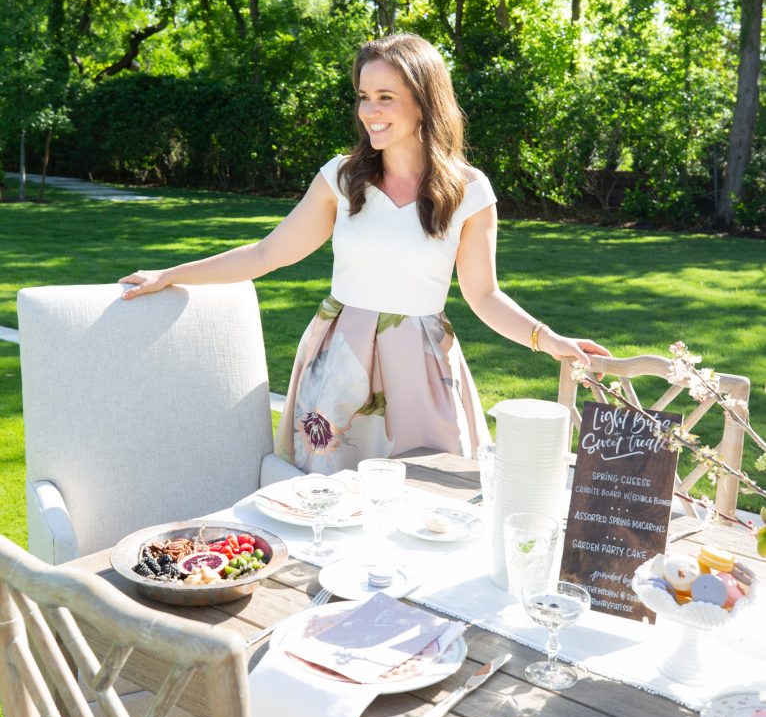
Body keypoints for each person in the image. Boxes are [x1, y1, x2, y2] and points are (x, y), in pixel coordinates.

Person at [120, 33, 609, 474]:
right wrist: (171, 273)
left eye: (386, 98)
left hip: (421, 363)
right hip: (339, 357)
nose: (369, 111)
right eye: (363, 97)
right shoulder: (340, 177)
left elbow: (483, 295)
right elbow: (269, 253)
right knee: (324, 502)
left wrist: (549, 340)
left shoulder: (469, 189)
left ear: (423, 102)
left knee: (429, 495)